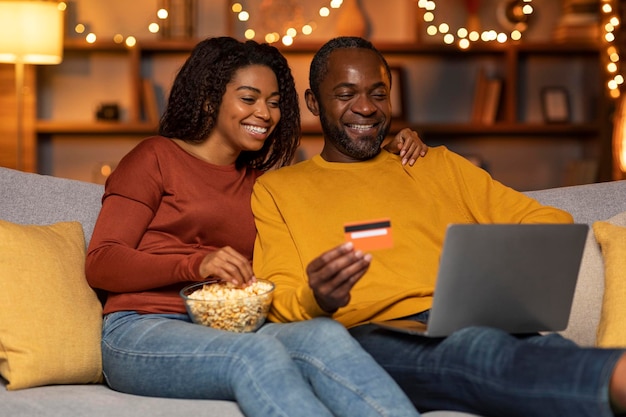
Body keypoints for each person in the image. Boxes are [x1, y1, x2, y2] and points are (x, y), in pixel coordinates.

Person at [251, 36, 626, 417]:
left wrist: (483, 271)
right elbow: (276, 295)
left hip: (471, 320)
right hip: (374, 335)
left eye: (378, 94)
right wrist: (320, 297)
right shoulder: (278, 190)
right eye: (346, 94)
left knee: (548, 349)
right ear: (313, 101)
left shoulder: (435, 165)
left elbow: (551, 222)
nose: (365, 107)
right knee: (478, 353)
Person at [85, 36, 428, 417]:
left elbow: (338, 198)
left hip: (230, 328)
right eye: (249, 99)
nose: (265, 114)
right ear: (209, 99)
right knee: (255, 352)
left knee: (324, 334)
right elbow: (101, 262)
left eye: (275, 102)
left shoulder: (263, 185)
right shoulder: (155, 157)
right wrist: (195, 264)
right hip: (142, 329)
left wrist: (387, 153)